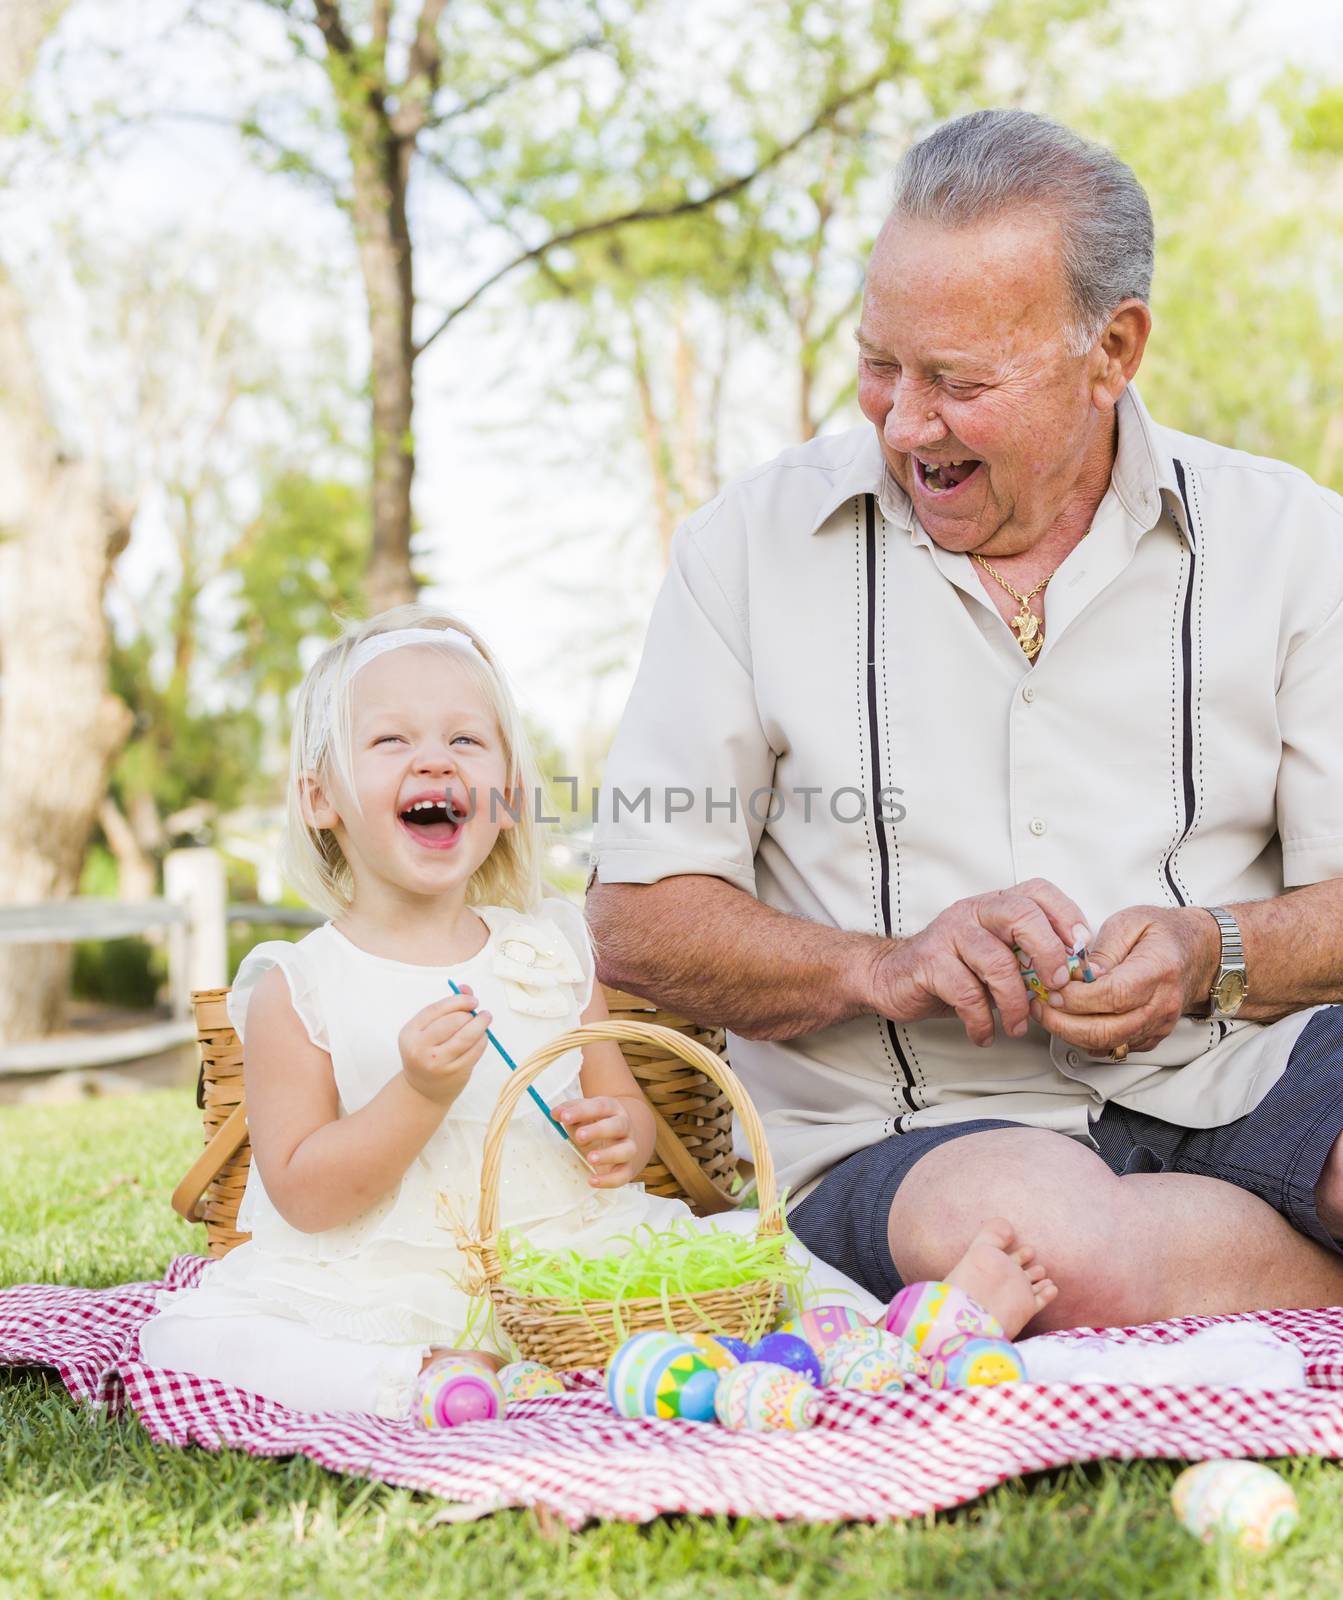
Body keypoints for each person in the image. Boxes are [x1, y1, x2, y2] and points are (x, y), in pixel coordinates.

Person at [587, 109, 1343, 1334]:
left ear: (1112, 351)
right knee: (1036, 1250)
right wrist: (881, 966)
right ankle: (1253, 1289)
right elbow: (634, 922)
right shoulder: (746, 547)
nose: (899, 421)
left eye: (957, 382)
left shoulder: (1292, 539)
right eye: (880, 363)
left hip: (1238, 1070)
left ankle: (1198, 1288)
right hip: (909, 1136)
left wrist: (1214, 951)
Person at [139, 606, 1056, 1418]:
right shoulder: (300, 986)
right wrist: (415, 1095)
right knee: (187, 1334)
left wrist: (614, 1134)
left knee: (759, 1254)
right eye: (389, 743)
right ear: (320, 799)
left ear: (504, 795)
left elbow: (628, 1117)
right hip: (395, 1281)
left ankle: (914, 1333)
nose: (434, 759)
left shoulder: (549, 945)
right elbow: (300, 1193)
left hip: (576, 1260)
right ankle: (415, 1381)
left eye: (467, 741)